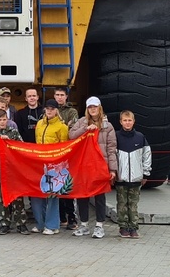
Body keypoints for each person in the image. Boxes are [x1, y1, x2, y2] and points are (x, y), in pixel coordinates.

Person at [68, 97, 116, 238]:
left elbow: (111, 148)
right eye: (90, 107)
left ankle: (99, 226)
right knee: (82, 195)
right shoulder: (81, 122)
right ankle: (83, 225)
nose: (92, 109)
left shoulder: (108, 126)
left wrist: (112, 169)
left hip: (100, 165)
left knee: (99, 196)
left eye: (95, 106)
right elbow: (71, 135)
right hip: (84, 165)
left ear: (99, 107)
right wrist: (85, 128)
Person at [0, 109, 30, 235]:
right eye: (0, 120)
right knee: (2, 198)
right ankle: (5, 224)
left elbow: (22, 148)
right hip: (0, 171)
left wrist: (9, 140)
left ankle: (21, 224)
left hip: (14, 171)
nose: (3, 122)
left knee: (18, 198)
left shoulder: (14, 132)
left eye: (5, 119)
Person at [31, 98, 68, 235]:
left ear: (56, 110)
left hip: (55, 165)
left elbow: (64, 146)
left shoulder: (62, 127)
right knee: (37, 193)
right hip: (40, 163)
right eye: (47, 108)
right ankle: (40, 223)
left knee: (52, 194)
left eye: (52, 109)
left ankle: (52, 225)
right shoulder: (40, 124)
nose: (49, 111)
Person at [114, 110, 152, 239]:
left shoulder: (140, 137)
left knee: (133, 204)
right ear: (121, 122)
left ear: (134, 121)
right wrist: (114, 173)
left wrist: (145, 173)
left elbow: (147, 155)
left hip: (136, 178)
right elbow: (112, 157)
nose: (127, 123)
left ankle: (134, 227)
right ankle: (123, 227)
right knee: (121, 204)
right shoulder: (116, 136)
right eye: (125, 120)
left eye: (129, 120)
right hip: (121, 178)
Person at [52, 88, 79, 229]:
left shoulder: (71, 112)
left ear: (66, 96)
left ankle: (72, 218)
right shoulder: (50, 110)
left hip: (67, 152)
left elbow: (72, 129)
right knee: (56, 186)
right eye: (57, 95)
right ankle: (61, 217)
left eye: (62, 95)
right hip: (53, 153)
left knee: (67, 186)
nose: (59, 97)